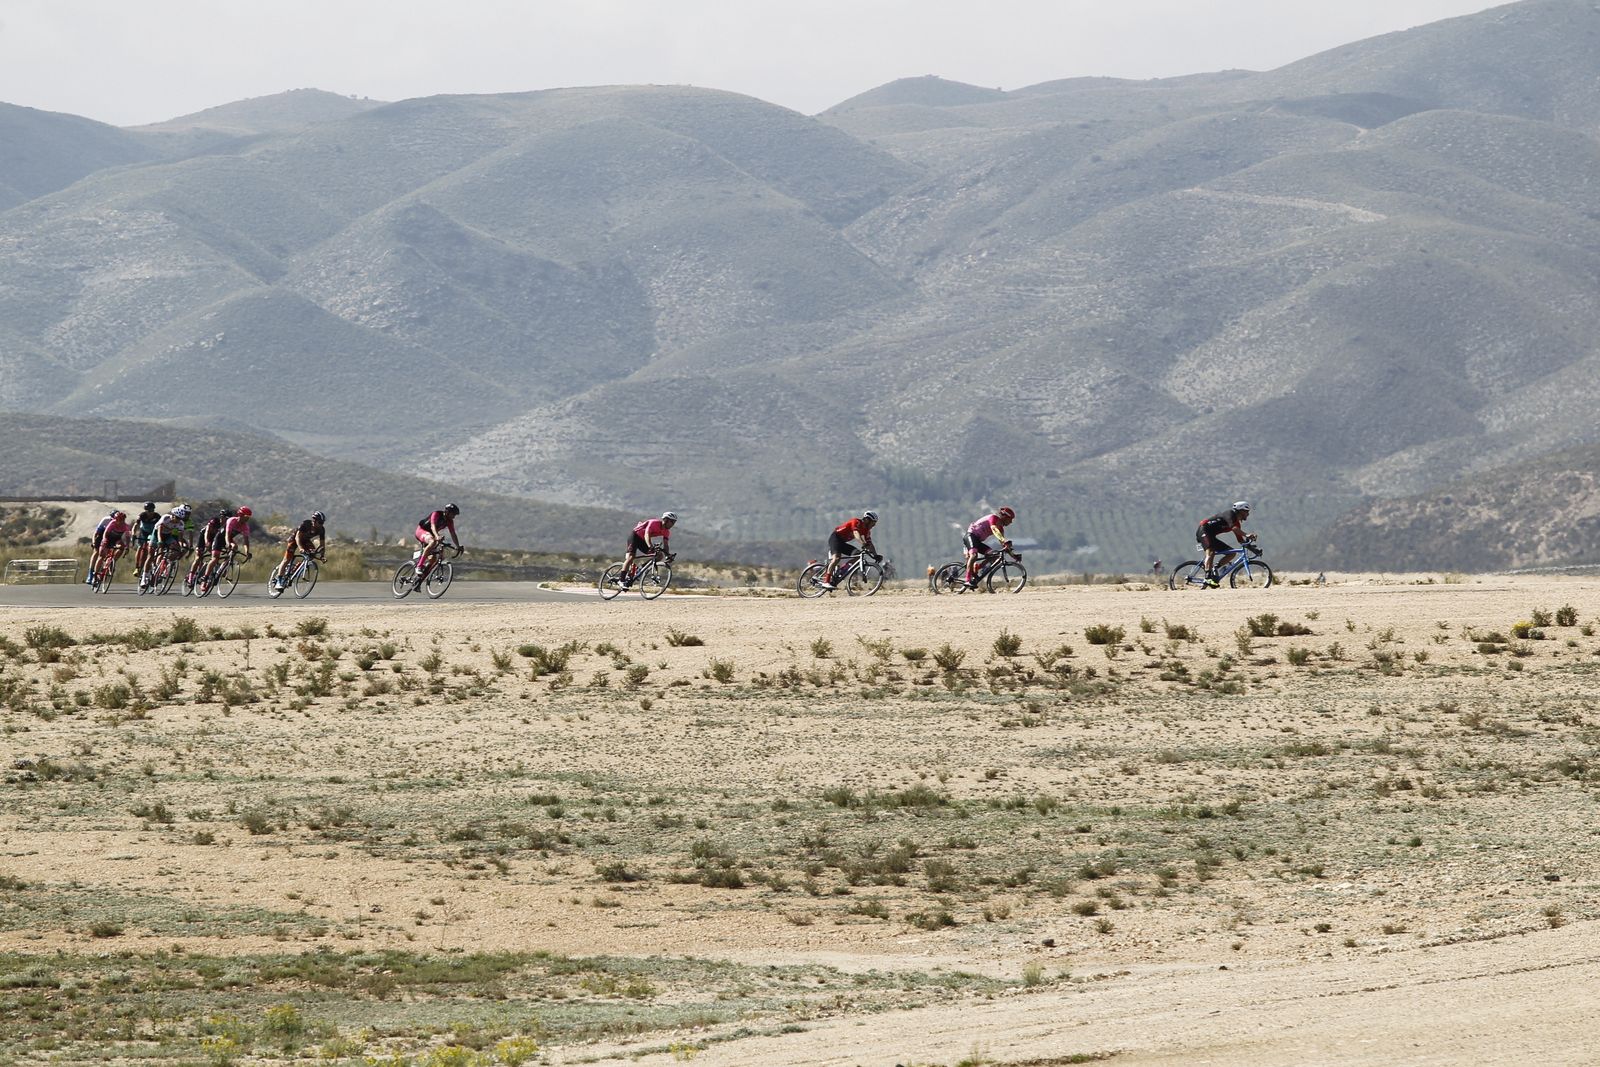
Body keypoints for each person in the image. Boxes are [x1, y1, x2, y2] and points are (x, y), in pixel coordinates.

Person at [1196, 501, 1254, 587]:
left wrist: (1253, 549)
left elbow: (1240, 540)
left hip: (1211, 536)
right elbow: (1233, 528)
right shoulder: (1229, 514)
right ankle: (1208, 577)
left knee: (1231, 553)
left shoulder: (1237, 523)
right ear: (1240, 510)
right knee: (1211, 551)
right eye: (1246, 511)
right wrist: (1246, 534)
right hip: (1203, 530)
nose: (1248, 514)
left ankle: (1214, 568)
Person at [822, 510, 879, 589]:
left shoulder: (867, 531)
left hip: (842, 542)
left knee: (858, 555)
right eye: (873, 522)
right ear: (867, 520)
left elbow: (870, 544)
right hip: (835, 538)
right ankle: (826, 581)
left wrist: (875, 555)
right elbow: (856, 534)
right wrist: (863, 543)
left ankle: (841, 570)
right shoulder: (856, 522)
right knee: (836, 559)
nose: (874, 525)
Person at [272, 511, 327, 590]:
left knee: (312, 554)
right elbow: (297, 538)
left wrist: (322, 556)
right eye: (320, 522)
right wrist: (301, 548)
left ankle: (295, 570)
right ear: (314, 520)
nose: (322, 524)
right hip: (294, 540)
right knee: (287, 559)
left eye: (323, 523)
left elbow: (322, 546)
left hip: (305, 541)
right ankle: (279, 580)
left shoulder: (321, 529)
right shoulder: (306, 524)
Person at [142, 504, 193, 590]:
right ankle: (144, 577)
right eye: (177, 518)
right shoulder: (165, 518)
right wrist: (160, 541)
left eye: (180, 519)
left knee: (175, 548)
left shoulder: (180, 523)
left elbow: (180, 539)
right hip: (157, 534)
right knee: (150, 555)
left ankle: (165, 564)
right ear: (172, 515)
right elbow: (159, 532)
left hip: (168, 535)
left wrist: (180, 547)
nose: (178, 520)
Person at [963, 506, 1015, 587]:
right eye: (1010, 519)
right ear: (1005, 517)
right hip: (971, 535)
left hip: (978, 541)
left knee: (994, 556)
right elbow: (994, 528)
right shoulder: (993, 518)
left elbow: (1004, 545)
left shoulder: (1001, 528)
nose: (1011, 522)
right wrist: (1004, 540)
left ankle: (978, 567)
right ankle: (967, 580)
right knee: (974, 555)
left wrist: (1014, 556)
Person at [623, 511, 676, 582]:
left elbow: (666, 545)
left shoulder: (666, 532)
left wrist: (668, 555)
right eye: (672, 522)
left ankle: (640, 569)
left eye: (674, 522)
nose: (673, 524)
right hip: (635, 536)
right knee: (630, 557)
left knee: (659, 556)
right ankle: (621, 579)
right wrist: (650, 546)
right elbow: (646, 535)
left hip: (643, 540)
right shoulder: (654, 523)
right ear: (665, 520)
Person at [414, 504, 462, 576]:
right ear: (447, 512)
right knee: (432, 541)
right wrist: (437, 536)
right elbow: (433, 527)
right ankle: (419, 566)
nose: (454, 517)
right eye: (453, 514)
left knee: (433, 559)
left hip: (431, 535)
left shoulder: (450, 521)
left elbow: (453, 534)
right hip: (421, 531)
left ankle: (419, 580)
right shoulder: (436, 514)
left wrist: (458, 546)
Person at [187, 509, 230, 590]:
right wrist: (207, 542)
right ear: (221, 517)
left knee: (216, 558)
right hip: (204, 537)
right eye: (225, 518)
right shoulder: (214, 521)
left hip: (215, 539)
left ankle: (205, 579)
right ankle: (190, 577)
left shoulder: (227, 526)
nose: (227, 520)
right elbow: (207, 531)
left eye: (228, 518)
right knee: (198, 557)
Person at [87, 511, 130, 584]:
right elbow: (105, 534)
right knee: (101, 555)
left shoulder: (125, 526)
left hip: (116, 540)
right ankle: (94, 575)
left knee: (122, 547)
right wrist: (104, 542)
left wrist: (127, 547)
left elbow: (127, 537)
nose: (120, 522)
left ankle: (112, 561)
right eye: (118, 519)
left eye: (122, 520)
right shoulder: (112, 523)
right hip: (107, 538)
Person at [130, 502, 161, 584]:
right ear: (145, 511)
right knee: (141, 548)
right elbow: (136, 525)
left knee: (152, 547)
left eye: (152, 511)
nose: (150, 513)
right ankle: (137, 567)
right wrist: (133, 533)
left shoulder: (157, 516)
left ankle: (153, 565)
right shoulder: (142, 515)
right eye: (148, 511)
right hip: (143, 532)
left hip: (153, 533)